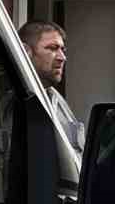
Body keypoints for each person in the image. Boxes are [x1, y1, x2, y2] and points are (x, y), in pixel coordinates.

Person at [19, 20, 84, 152]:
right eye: (52, 48)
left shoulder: (58, 103)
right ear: (26, 51)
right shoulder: (11, 103)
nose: (62, 57)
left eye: (62, 50)